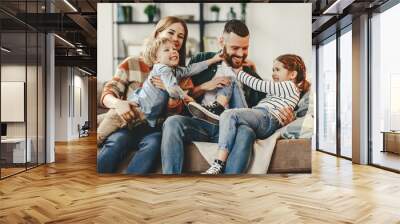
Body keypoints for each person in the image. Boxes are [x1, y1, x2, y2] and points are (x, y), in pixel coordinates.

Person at [161, 20, 295, 174]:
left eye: (245, 48)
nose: (240, 54)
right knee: (172, 122)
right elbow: (183, 96)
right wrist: (204, 86)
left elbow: (266, 108)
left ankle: (229, 186)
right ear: (221, 42)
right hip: (202, 124)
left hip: (234, 127)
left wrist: (288, 116)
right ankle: (170, 180)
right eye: (234, 48)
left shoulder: (250, 73)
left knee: (246, 131)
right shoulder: (202, 60)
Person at [97, 16, 192, 174]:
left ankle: (131, 189)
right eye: (171, 32)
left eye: (180, 36)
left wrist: (171, 93)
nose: (175, 39)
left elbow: (177, 112)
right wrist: (117, 103)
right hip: (127, 125)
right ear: (157, 34)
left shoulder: (181, 75)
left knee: (154, 144)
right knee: (116, 141)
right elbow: (109, 91)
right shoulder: (131, 63)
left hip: (155, 129)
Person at [97, 37, 222, 145]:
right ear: (156, 59)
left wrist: (213, 60)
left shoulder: (175, 71)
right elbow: (172, 89)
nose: (173, 51)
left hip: (142, 116)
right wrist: (185, 97)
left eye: (174, 49)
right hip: (135, 109)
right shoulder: (162, 68)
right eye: (167, 50)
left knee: (103, 121)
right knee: (100, 136)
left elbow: (192, 68)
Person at [203, 54, 311, 174]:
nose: (273, 73)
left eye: (278, 70)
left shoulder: (289, 85)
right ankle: (230, 179)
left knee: (229, 114)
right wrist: (252, 70)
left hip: (267, 117)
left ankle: (217, 163)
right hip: (262, 117)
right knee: (243, 130)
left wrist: (238, 71)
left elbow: (259, 85)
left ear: (293, 75)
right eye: (273, 70)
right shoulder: (283, 90)